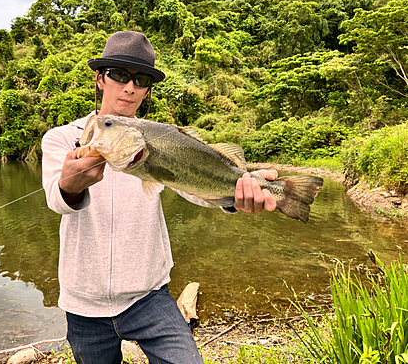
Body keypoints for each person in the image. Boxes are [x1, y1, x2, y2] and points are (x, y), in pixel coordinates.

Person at [42, 31, 278, 364]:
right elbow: (56, 198)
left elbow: (192, 188)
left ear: (147, 90)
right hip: (84, 303)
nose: (129, 87)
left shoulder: (161, 137)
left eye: (140, 80)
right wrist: (71, 185)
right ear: (100, 79)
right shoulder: (62, 139)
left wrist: (233, 197)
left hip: (148, 295)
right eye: (120, 76)